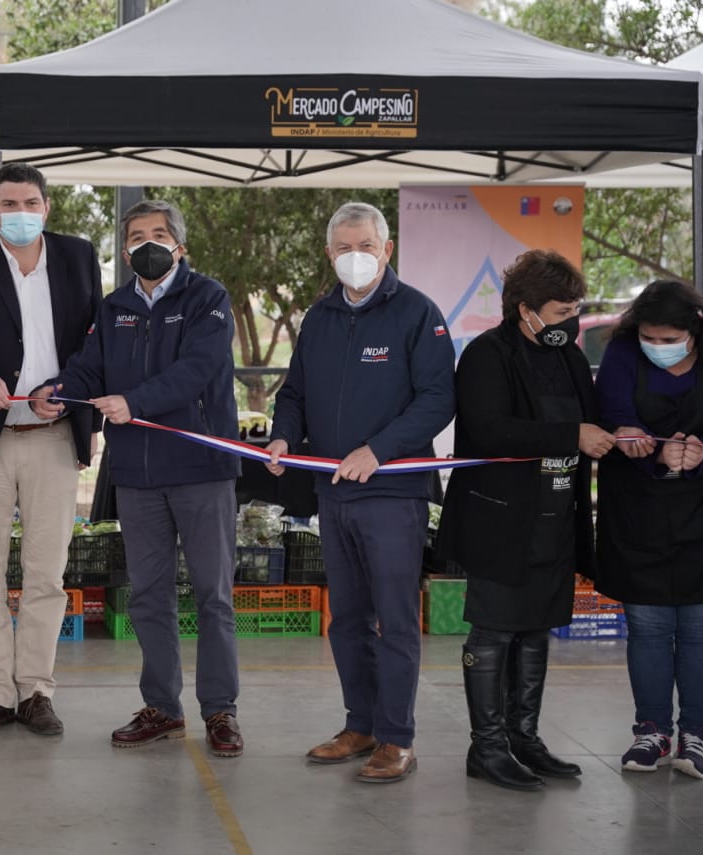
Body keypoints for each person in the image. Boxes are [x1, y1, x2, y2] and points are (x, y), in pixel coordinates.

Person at [31, 199, 244, 756]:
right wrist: (58, 391)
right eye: (136, 236)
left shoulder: (209, 299)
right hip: (136, 474)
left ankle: (221, 711)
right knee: (148, 596)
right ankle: (163, 708)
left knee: (213, 596)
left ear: (180, 244)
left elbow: (197, 370)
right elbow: (89, 365)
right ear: (124, 250)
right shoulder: (115, 306)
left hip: (201, 470)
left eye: (158, 233)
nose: (146, 243)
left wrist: (134, 401)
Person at [265, 202, 454, 783]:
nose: (355, 257)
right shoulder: (319, 317)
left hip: (393, 494)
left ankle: (398, 738)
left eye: (366, 247)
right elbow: (293, 391)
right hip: (333, 493)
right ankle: (361, 725)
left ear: (386, 249)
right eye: (344, 248)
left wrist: (379, 451)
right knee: (346, 619)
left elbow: (437, 399)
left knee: (394, 621)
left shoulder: (418, 314)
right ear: (329, 253)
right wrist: (281, 435)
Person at [0, 162, 102, 737]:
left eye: (31, 203)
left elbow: (93, 339)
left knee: (45, 572)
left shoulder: (79, 256)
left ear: (47, 207)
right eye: (9, 204)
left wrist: (73, 390)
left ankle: (35, 691)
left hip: (54, 437)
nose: (21, 214)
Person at [436, 249, 611, 790]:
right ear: (525, 309)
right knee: (494, 631)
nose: (570, 322)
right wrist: (570, 436)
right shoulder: (488, 355)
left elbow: (591, 421)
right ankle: (486, 748)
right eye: (560, 311)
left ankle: (523, 738)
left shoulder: (571, 359)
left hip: (557, 515)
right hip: (502, 519)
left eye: (574, 310)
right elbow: (488, 430)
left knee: (536, 628)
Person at [594, 279, 703, 780]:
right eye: (650, 338)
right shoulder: (621, 352)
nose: (658, 347)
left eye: (669, 339)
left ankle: (697, 735)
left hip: (702, 514)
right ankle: (652, 731)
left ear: (694, 331)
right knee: (648, 628)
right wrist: (630, 434)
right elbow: (611, 411)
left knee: (700, 631)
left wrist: (700, 457)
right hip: (638, 510)